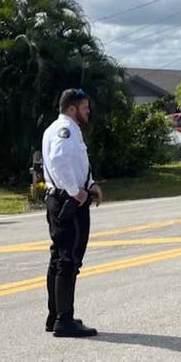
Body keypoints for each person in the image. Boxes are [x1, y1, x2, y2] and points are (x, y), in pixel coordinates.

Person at [41, 88, 103, 338]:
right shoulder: (65, 130)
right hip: (68, 204)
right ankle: (64, 321)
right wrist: (75, 192)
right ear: (72, 108)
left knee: (59, 258)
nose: (88, 111)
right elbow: (58, 161)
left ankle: (55, 315)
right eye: (85, 107)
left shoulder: (60, 129)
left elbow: (75, 164)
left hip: (60, 200)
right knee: (68, 260)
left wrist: (90, 184)